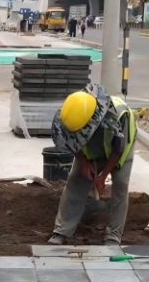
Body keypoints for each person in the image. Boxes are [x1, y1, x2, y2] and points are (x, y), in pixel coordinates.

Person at [47, 87, 136, 245]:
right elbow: (71, 141)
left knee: (121, 184)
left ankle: (113, 235)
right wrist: (83, 162)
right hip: (92, 148)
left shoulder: (119, 116)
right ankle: (61, 230)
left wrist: (103, 176)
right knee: (76, 180)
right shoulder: (73, 110)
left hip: (120, 148)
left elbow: (117, 150)